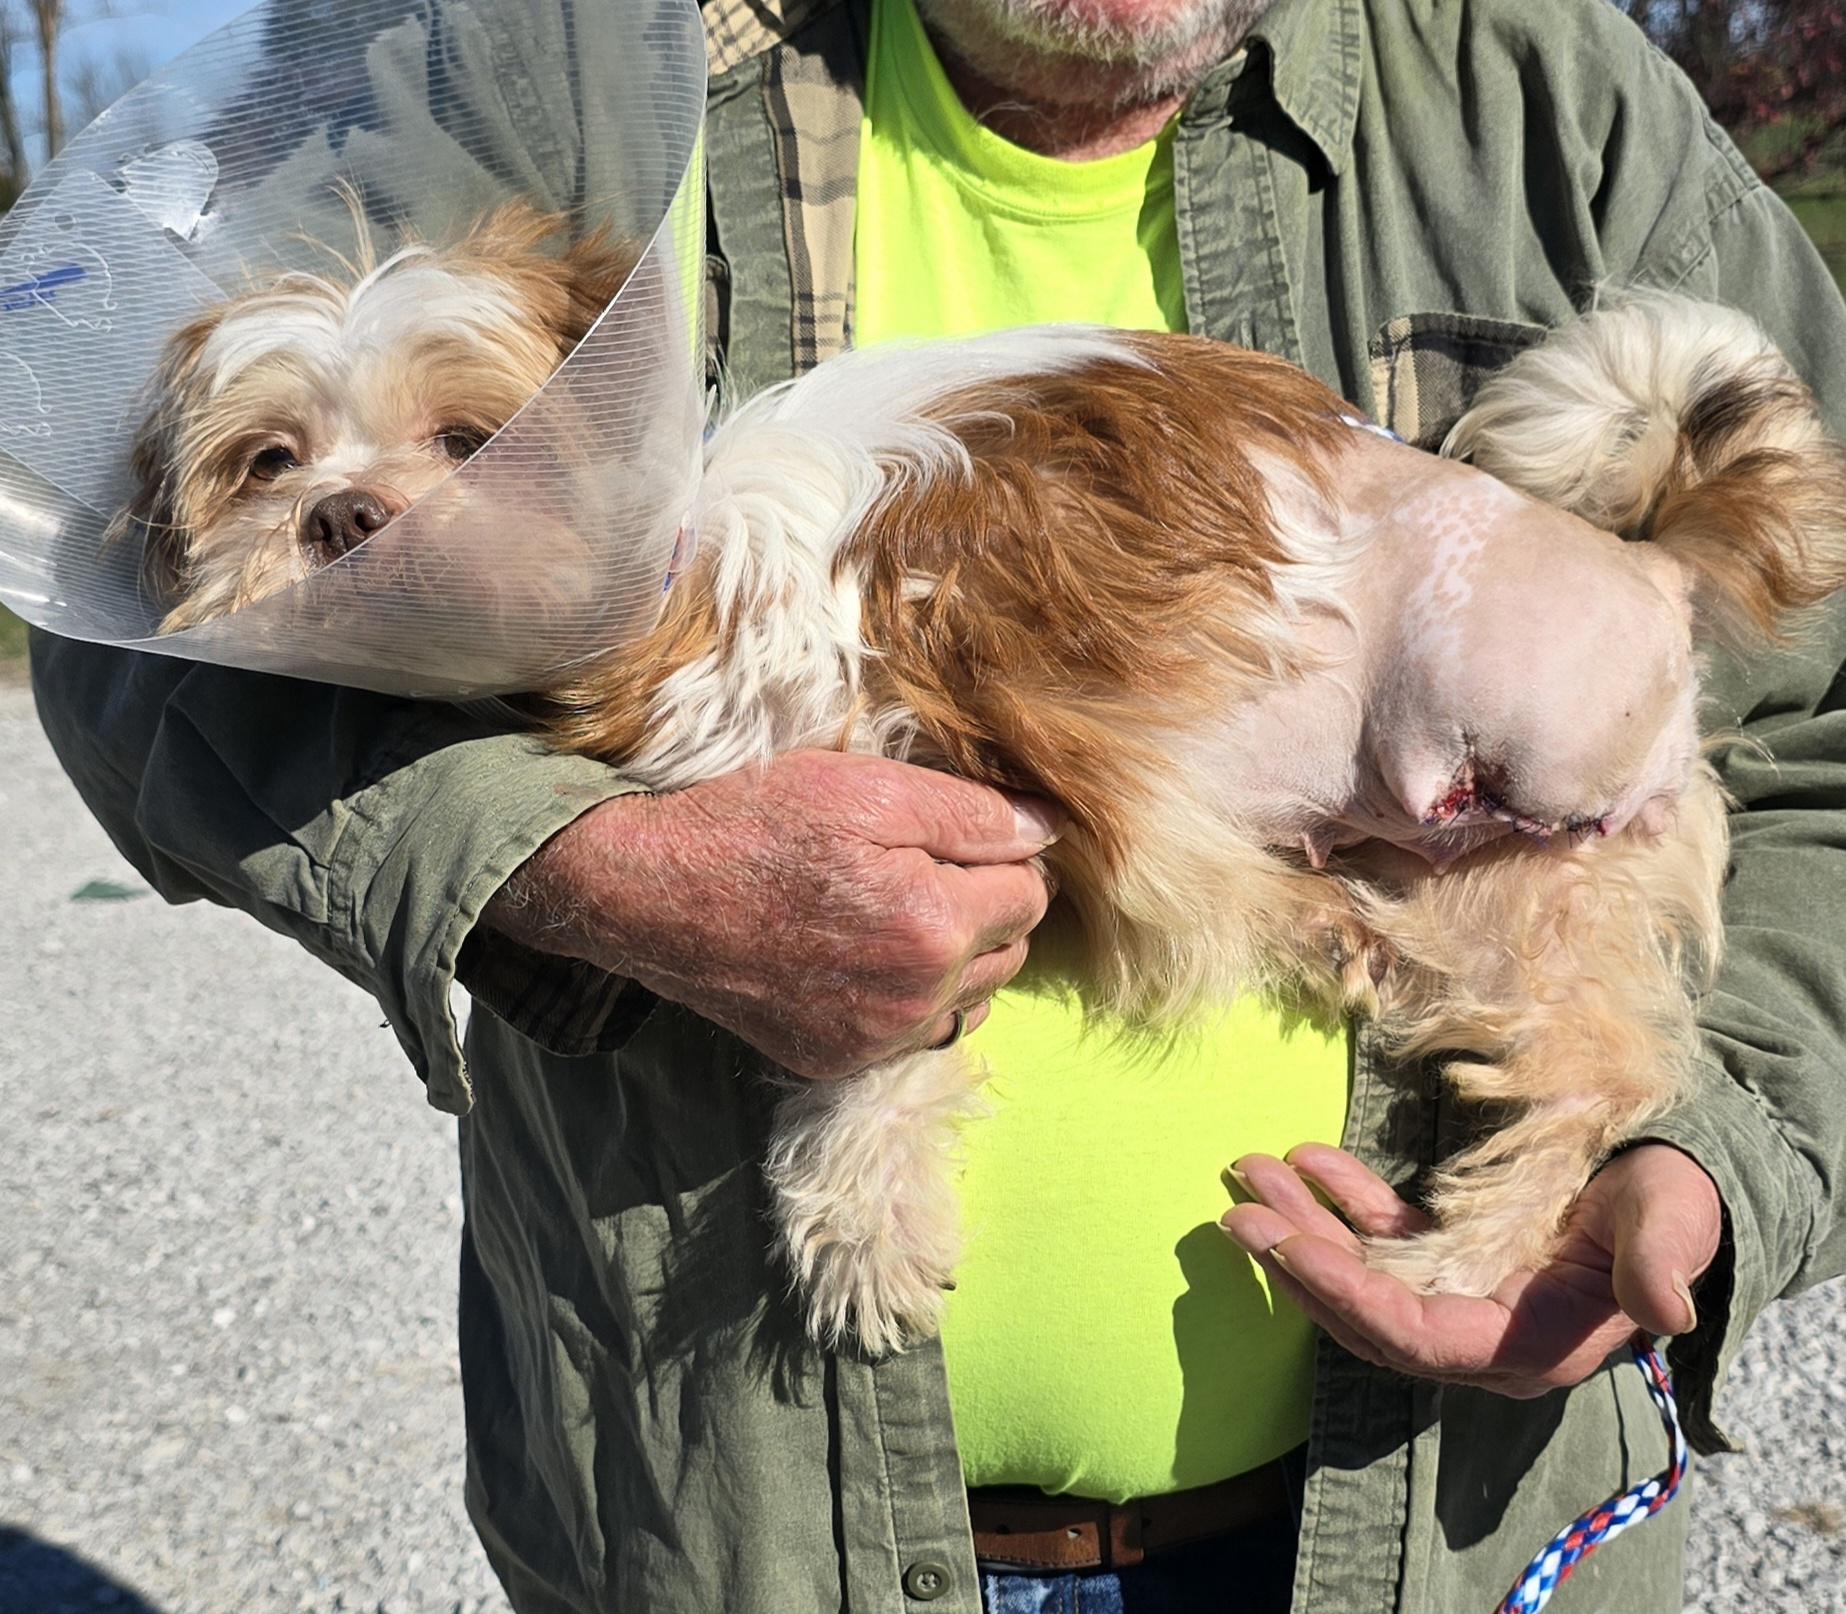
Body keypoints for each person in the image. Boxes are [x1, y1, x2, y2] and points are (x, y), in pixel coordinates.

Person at [28, 0, 1846, 1609]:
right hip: (736, 1525)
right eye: (292, 456)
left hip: (1432, 1528)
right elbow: (106, 607)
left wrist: (1703, 1158)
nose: (358, 494)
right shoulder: (538, 67)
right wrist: (584, 864)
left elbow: (1819, 732)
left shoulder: (1547, 95)